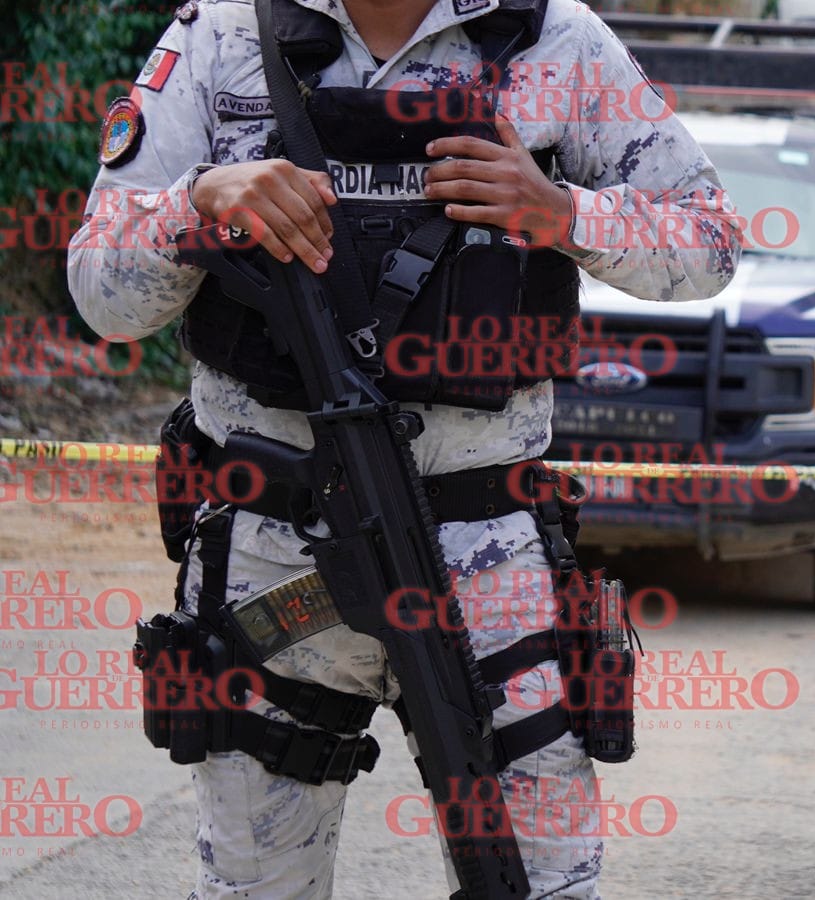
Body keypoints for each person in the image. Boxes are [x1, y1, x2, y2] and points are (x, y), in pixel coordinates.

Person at [67, 0, 741, 897]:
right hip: (273, 566)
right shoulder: (222, 33)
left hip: (488, 567)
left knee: (535, 885)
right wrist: (197, 205)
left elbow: (711, 241)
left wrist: (561, 211)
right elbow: (102, 294)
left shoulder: (555, 38)